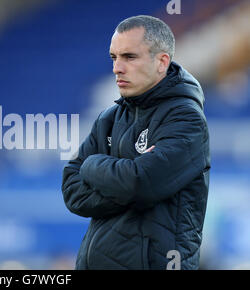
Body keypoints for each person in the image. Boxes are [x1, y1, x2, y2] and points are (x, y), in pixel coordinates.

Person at [61, 15, 210, 270]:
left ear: (162, 62)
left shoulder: (185, 118)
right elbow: (72, 190)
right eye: (114, 57)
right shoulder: (109, 118)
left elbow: (139, 183)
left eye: (129, 57)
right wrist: (125, 179)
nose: (117, 68)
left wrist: (93, 165)